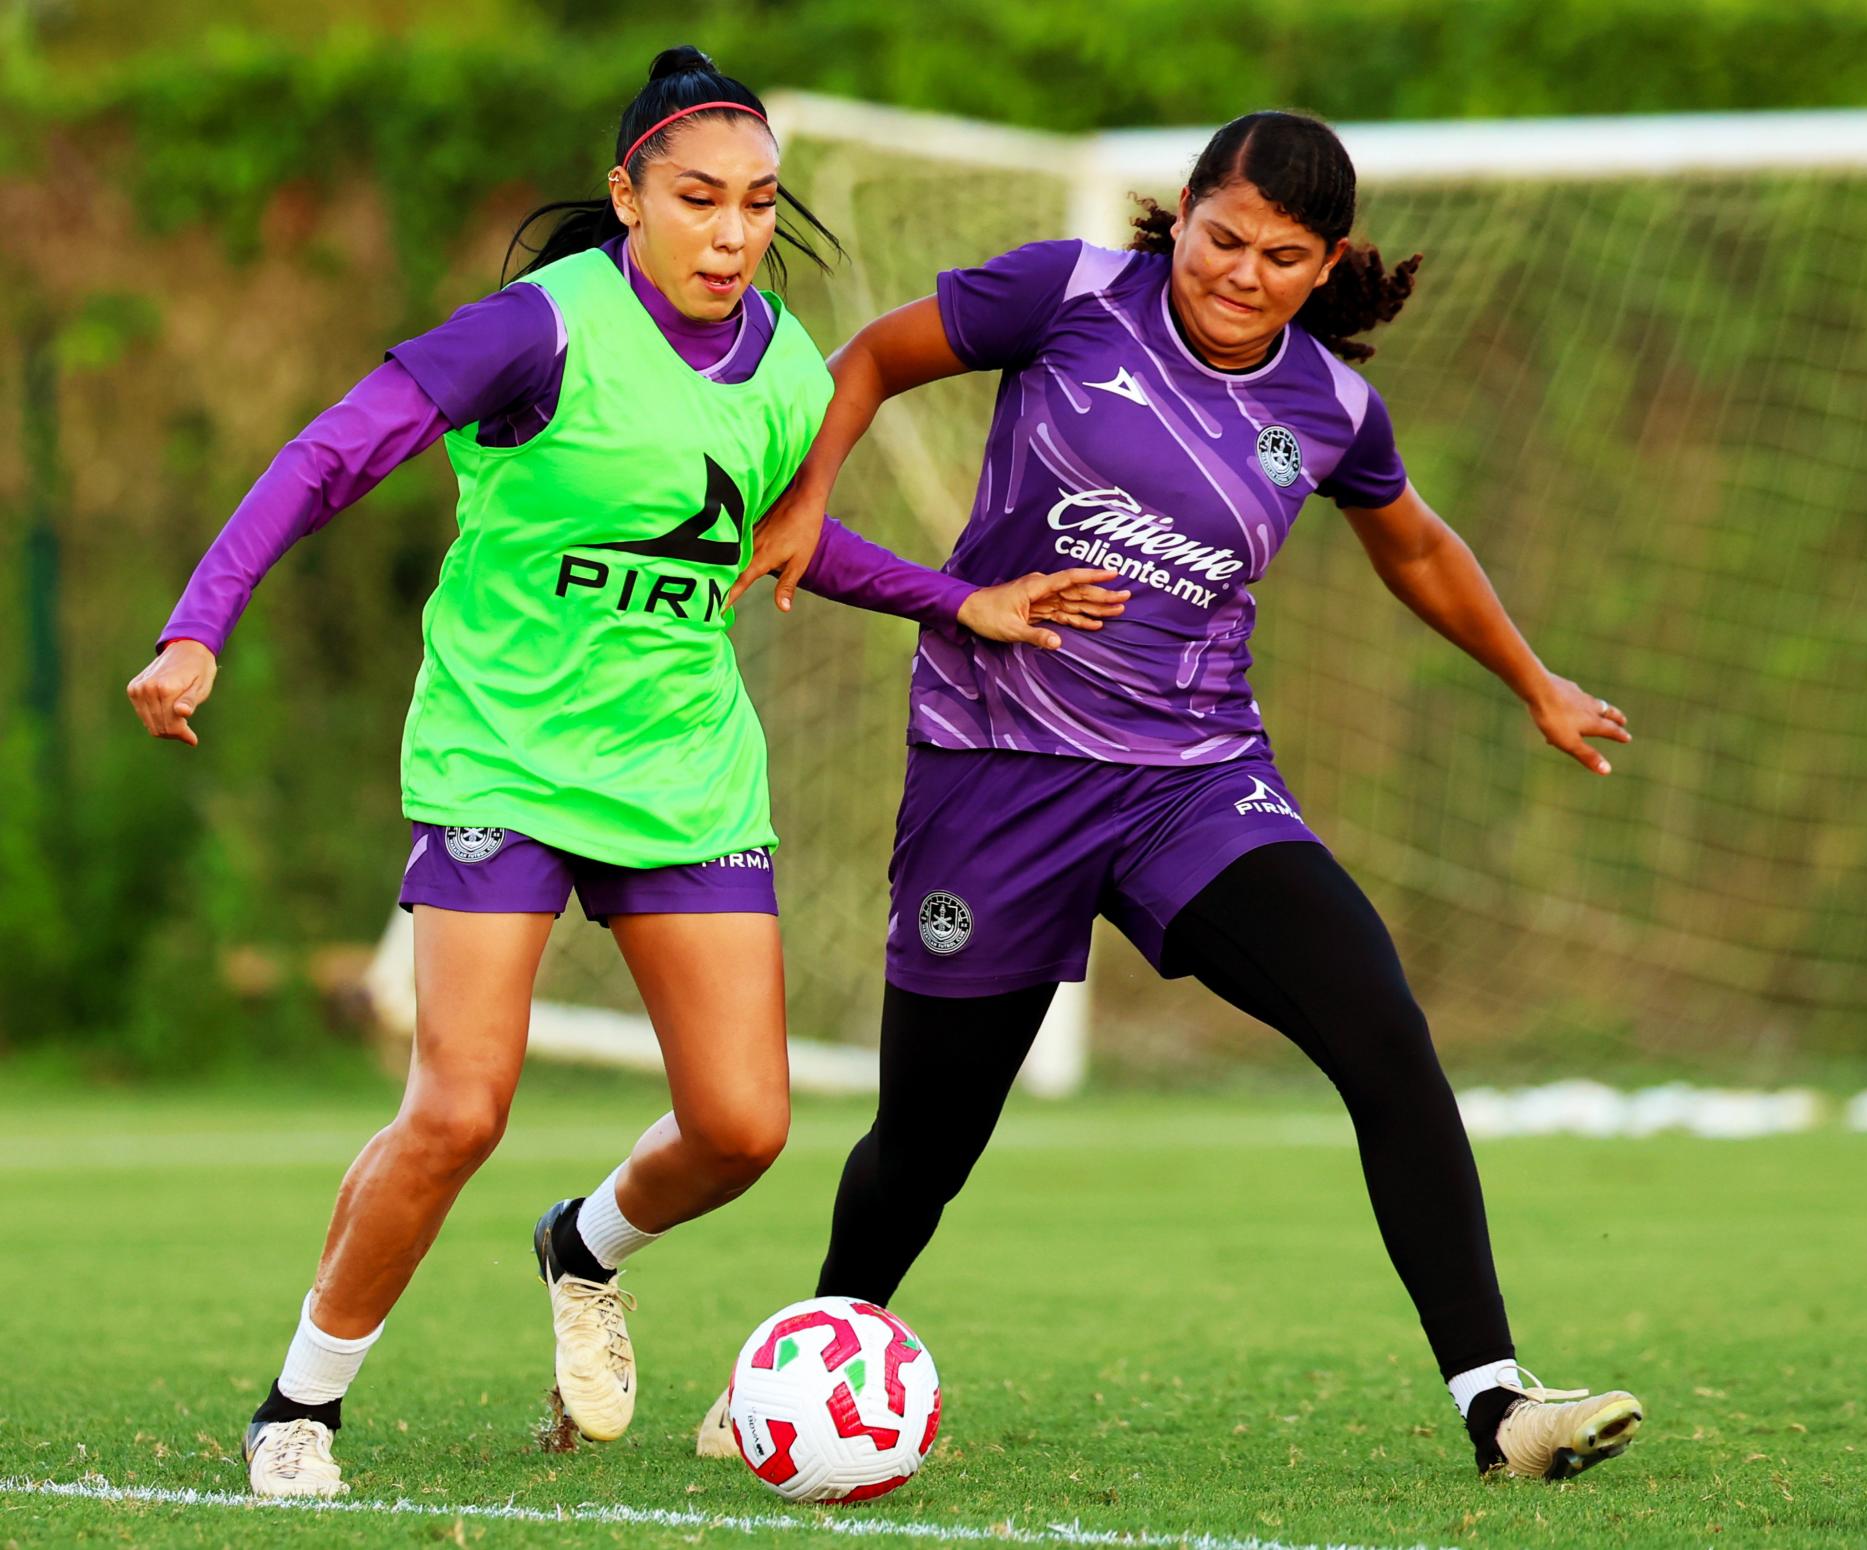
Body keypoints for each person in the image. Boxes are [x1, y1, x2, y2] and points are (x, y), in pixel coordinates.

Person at [124, 46, 1124, 1500]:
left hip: (684, 771)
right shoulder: (538, 331)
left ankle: (581, 1245)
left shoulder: (784, 363)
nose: (732, 233)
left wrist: (951, 598)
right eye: (699, 199)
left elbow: (776, 543)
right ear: (627, 196)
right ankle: (301, 1404)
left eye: (758, 205)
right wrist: (199, 624)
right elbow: (333, 451)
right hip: (504, 753)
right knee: (460, 1105)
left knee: (743, 1126)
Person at [710, 109, 1644, 1482]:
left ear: (1325, 265)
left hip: (1194, 784)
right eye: (1223, 237)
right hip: (996, 772)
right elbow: (872, 358)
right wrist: (807, 495)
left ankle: (1499, 1401)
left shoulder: (1327, 408)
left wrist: (1535, 680)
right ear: (1185, 213)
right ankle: (803, 1370)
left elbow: (1420, 546)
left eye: (1280, 255)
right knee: (929, 1136)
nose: (1241, 272)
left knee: (1381, 1025)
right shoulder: (1068, 295)